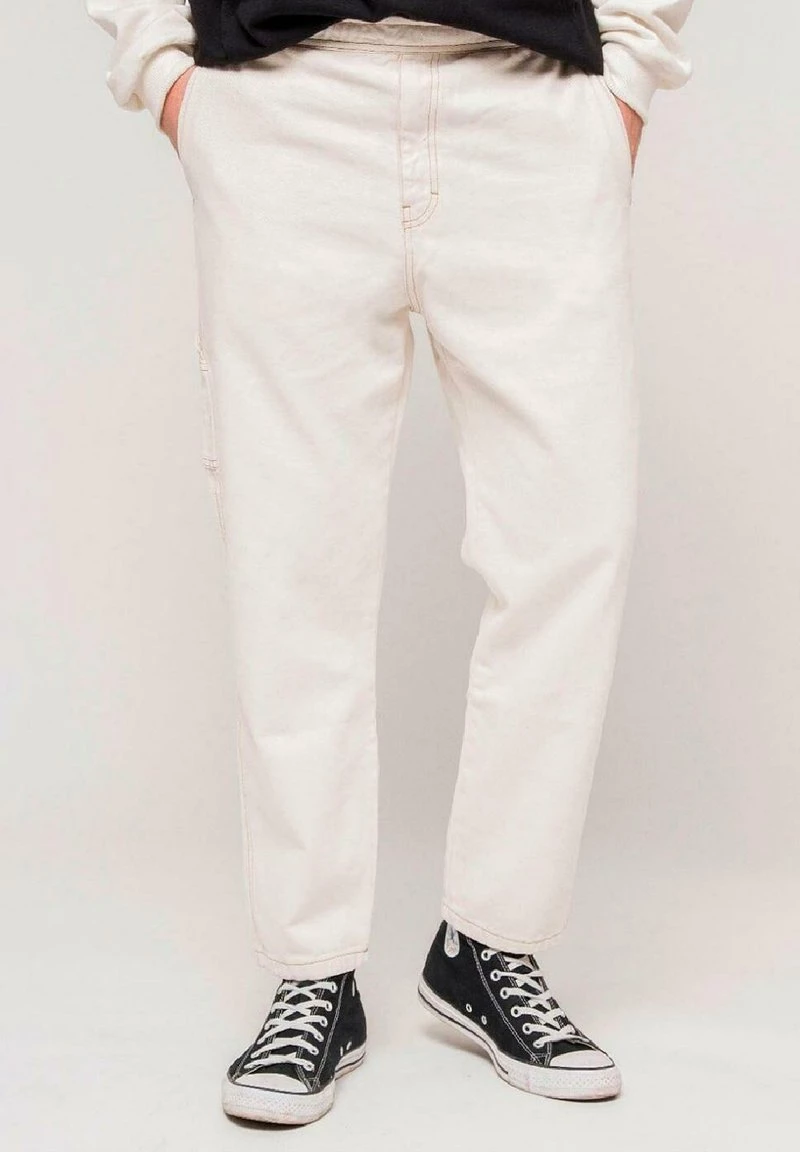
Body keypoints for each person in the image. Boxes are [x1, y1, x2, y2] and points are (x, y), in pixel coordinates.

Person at [87, 0, 693, 1126]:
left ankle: (491, 942)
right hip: (286, 97)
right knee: (291, 560)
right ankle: (312, 969)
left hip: (529, 95)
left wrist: (630, 71)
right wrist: (164, 72)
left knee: (569, 538)